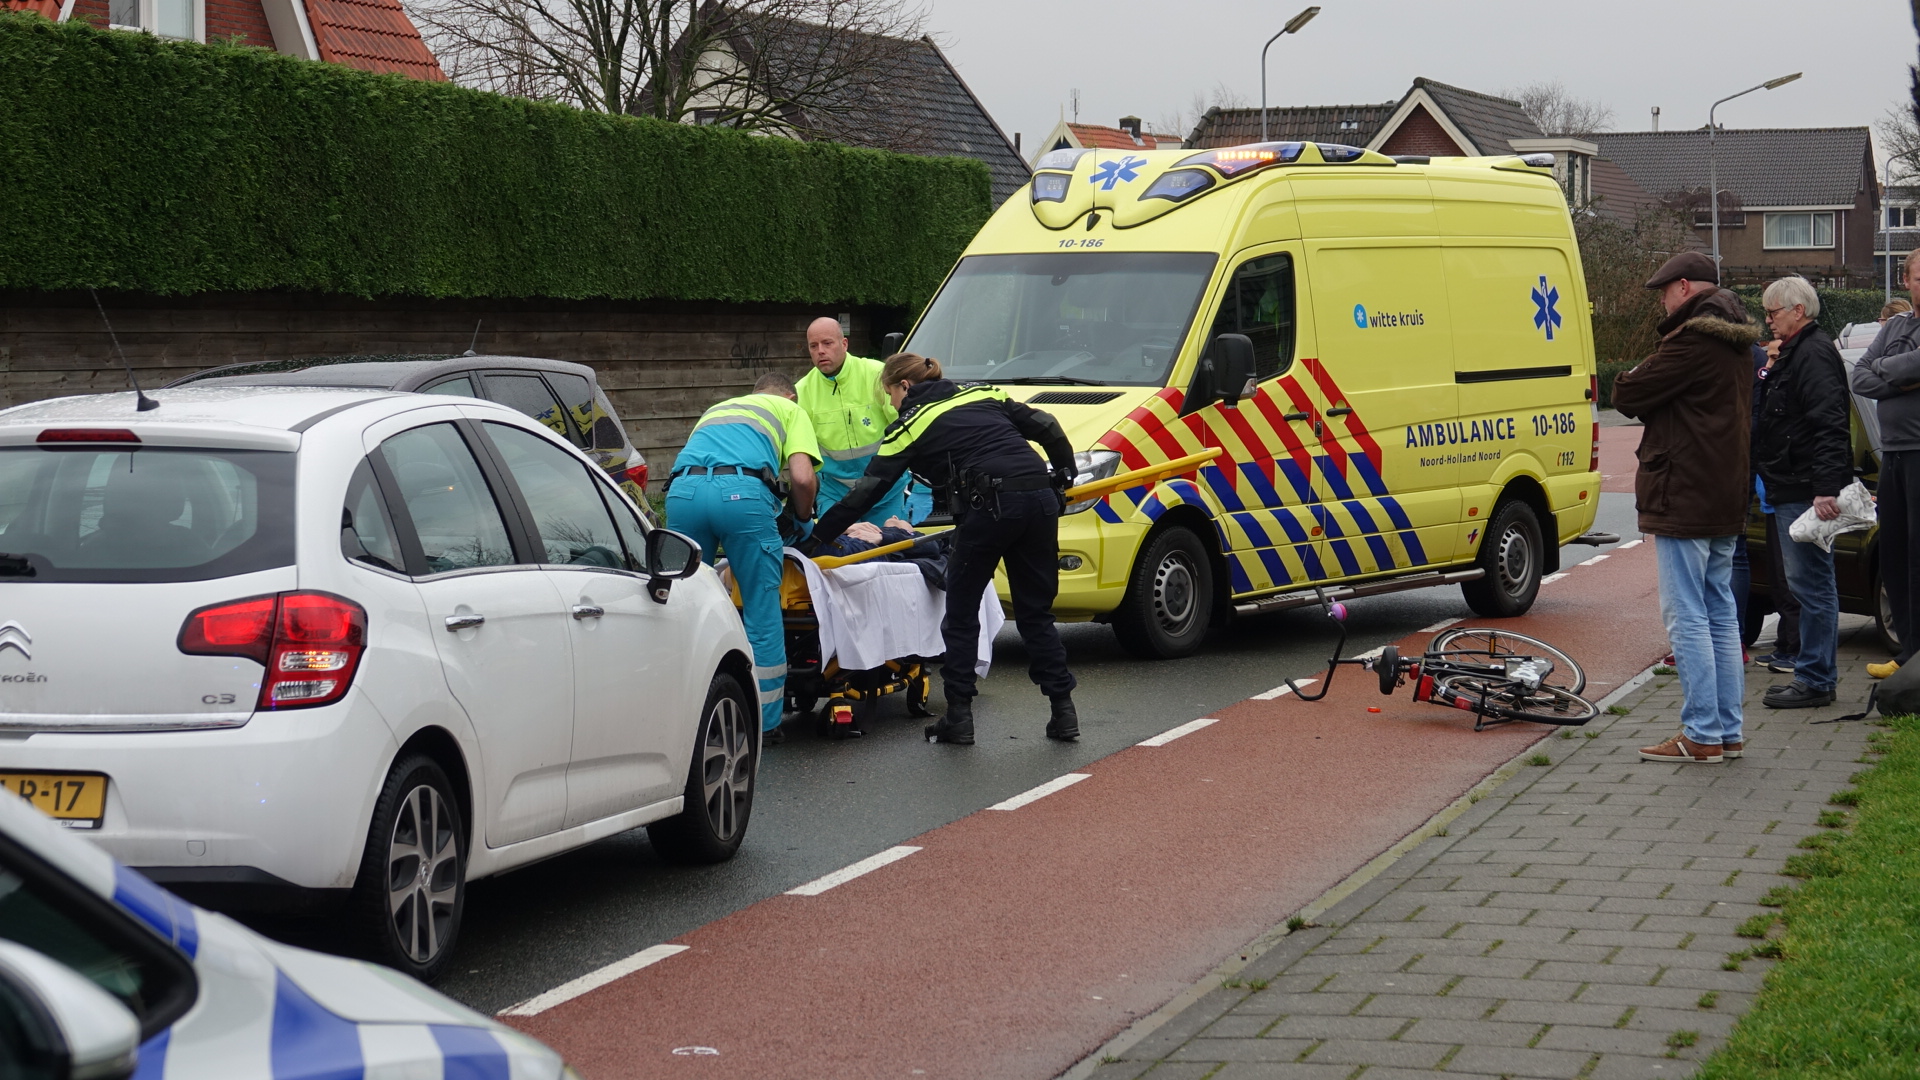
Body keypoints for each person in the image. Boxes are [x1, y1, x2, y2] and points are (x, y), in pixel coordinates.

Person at [806, 353, 1080, 745]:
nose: (891, 404)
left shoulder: (910, 425)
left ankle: (959, 717)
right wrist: (1064, 474)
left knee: (962, 612)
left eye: (889, 394)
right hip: (1039, 498)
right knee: (1036, 614)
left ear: (904, 387)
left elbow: (865, 494)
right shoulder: (984, 393)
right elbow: (1046, 426)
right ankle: (1063, 712)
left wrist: (816, 538)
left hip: (989, 507)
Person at [1613, 252, 1760, 764]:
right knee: (1720, 611)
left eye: (1663, 292)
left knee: (1686, 615)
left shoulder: (1694, 340)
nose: (1661, 300)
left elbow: (1629, 391)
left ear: (1682, 288)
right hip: (1723, 493)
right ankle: (1728, 732)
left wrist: (1638, 378)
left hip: (1685, 492)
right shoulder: (1738, 339)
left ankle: (1700, 733)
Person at [666, 371, 820, 741]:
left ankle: (687, 717)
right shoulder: (789, 409)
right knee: (760, 607)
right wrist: (803, 518)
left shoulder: (718, 410)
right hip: (741, 496)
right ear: (790, 396)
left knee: (685, 607)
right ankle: (765, 724)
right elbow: (801, 478)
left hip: (682, 491)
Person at [1752, 276, 1851, 709]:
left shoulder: (1810, 354)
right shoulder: (1799, 353)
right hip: (1793, 484)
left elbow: (1830, 424)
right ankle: (1814, 675)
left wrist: (1825, 488)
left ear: (1797, 310)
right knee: (1809, 583)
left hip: (1804, 487)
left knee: (1811, 585)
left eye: (1772, 312)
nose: (1768, 320)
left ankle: (1815, 679)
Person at [1854, 250, 1920, 679]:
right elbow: (1859, 376)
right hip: (1893, 453)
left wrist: (1885, 371)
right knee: (1895, 555)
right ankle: (1909, 652)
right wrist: (1902, 374)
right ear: (1907, 280)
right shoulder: (1896, 326)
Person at [796, 317, 908, 526]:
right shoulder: (802, 392)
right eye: (813, 346)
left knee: (888, 552)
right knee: (838, 554)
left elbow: (907, 428)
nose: (820, 351)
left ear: (844, 344)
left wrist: (922, 488)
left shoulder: (877, 375)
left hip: (884, 489)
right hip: (836, 493)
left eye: (827, 343)